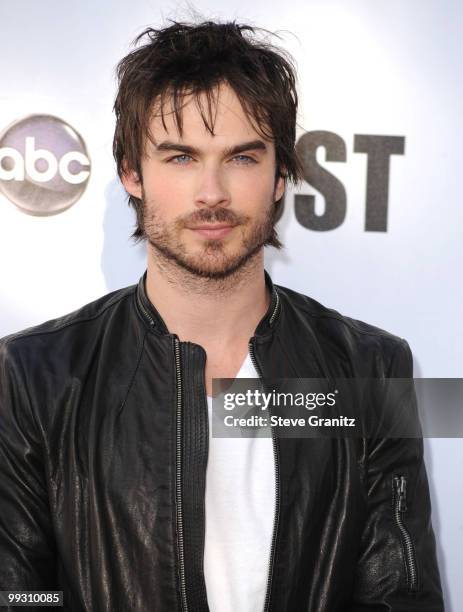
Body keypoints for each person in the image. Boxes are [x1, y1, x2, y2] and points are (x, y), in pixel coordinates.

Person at [0, 19, 443, 612]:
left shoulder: (370, 369)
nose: (212, 192)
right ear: (133, 173)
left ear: (280, 175)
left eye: (241, 157)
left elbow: (401, 597)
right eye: (181, 157)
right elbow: (21, 595)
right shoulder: (33, 376)